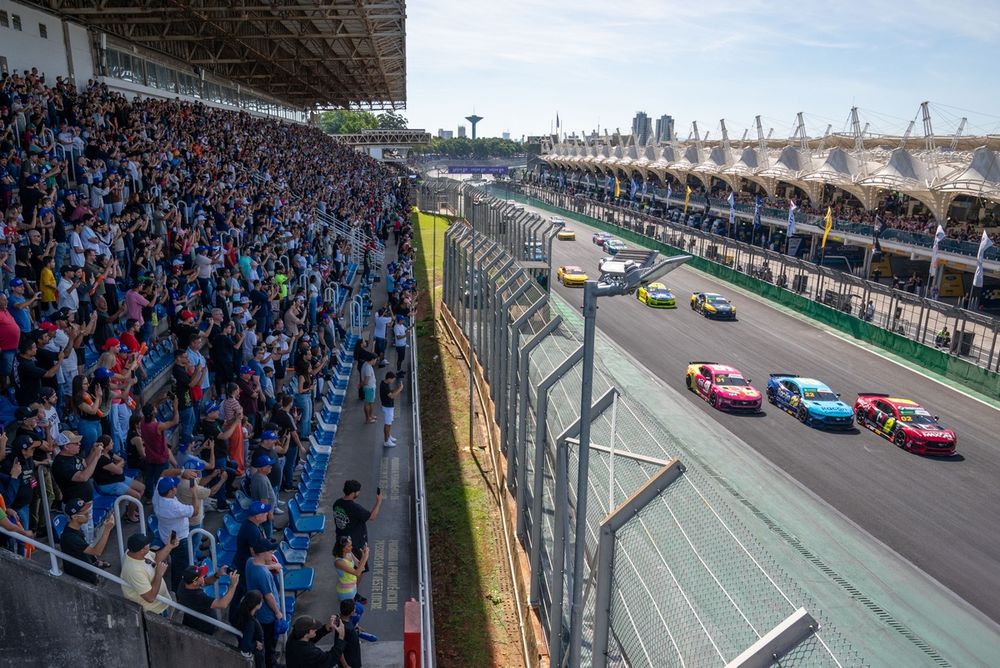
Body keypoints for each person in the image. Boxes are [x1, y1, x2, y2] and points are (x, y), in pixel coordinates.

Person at [332, 480, 382, 601]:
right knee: (359, 569)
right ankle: (353, 593)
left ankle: (348, 588)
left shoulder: (337, 503)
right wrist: (379, 501)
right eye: (358, 491)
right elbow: (372, 516)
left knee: (345, 568)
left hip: (341, 541)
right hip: (354, 543)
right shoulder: (355, 508)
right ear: (354, 493)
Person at [152, 475, 201, 591]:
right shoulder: (173, 506)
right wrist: (194, 493)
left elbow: (164, 473)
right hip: (179, 540)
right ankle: (179, 592)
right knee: (181, 568)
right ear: (170, 491)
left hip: (166, 535)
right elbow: (195, 511)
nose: (176, 487)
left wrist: (183, 472)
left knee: (176, 563)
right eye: (174, 487)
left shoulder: (157, 496)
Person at [244, 535, 284, 668]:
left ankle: (270, 656)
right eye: (270, 551)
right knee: (269, 638)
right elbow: (269, 596)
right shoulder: (262, 574)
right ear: (262, 553)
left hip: (258, 612)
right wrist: (277, 612)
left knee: (265, 638)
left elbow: (260, 566)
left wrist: (272, 566)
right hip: (267, 614)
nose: (272, 553)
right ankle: (271, 662)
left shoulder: (250, 561)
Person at [58, 498, 115, 583]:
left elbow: (84, 548)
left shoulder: (74, 527)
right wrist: (107, 530)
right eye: (85, 514)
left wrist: (95, 561)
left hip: (84, 562)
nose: (88, 515)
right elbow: (96, 551)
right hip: (82, 573)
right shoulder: (71, 538)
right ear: (74, 517)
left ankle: (96, 563)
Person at [121, 532, 178, 615]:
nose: (149, 544)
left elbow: (156, 558)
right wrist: (159, 574)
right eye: (147, 544)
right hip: (156, 611)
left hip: (163, 602)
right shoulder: (134, 571)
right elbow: (150, 597)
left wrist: (169, 546)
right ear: (141, 550)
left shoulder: (133, 552)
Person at [176, 563, 240, 635]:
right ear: (195, 582)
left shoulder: (185, 583)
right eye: (202, 576)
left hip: (191, 621)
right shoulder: (197, 597)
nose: (204, 576)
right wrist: (233, 585)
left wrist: (217, 575)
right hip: (203, 627)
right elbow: (222, 604)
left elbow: (205, 582)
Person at [232, 590, 266, 668]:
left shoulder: (241, 611)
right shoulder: (250, 623)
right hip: (257, 654)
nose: (262, 602)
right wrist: (256, 644)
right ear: (256, 605)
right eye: (261, 601)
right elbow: (246, 647)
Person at [380, 371, 404, 448]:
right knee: (388, 424)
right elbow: (392, 396)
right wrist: (400, 389)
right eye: (393, 379)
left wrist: (396, 388)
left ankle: (388, 436)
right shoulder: (384, 386)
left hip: (388, 406)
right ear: (389, 378)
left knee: (389, 423)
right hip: (387, 407)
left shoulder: (384, 384)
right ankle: (386, 441)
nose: (393, 381)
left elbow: (390, 392)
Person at [360, 356, 377, 424]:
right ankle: (368, 418)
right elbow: (366, 381)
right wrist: (360, 385)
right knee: (368, 403)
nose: (376, 361)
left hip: (370, 388)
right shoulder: (368, 368)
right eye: (375, 360)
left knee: (370, 402)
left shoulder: (366, 364)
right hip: (369, 388)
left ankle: (371, 415)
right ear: (372, 359)